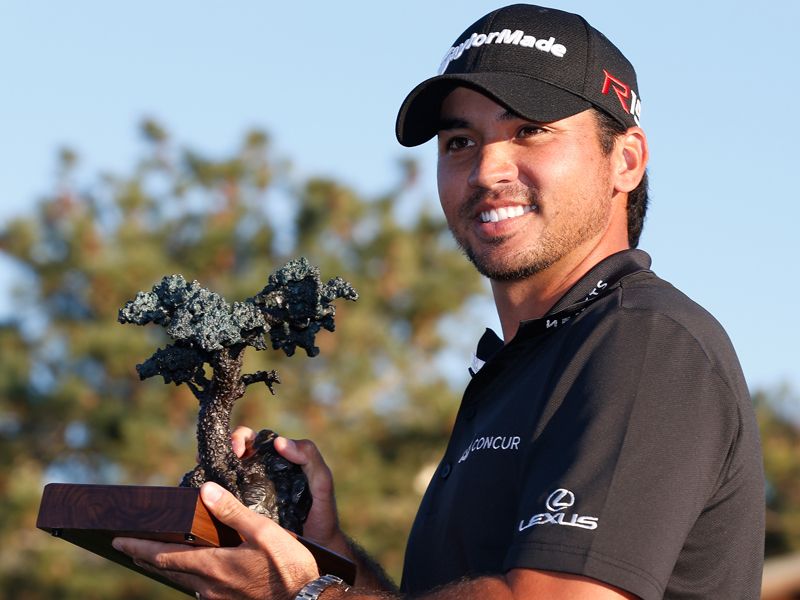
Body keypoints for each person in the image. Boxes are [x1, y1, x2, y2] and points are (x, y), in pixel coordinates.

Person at [112, 4, 765, 599]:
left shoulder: (644, 342)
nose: (486, 170)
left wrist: (305, 595)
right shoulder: (521, 370)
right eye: (460, 143)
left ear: (626, 160)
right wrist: (329, 560)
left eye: (531, 130)